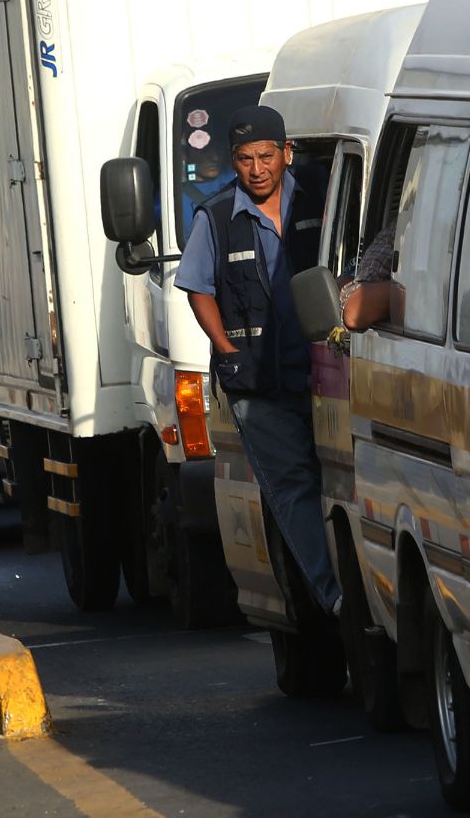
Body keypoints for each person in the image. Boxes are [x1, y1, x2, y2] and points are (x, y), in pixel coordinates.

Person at [175, 105, 341, 616]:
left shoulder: (321, 196)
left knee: (340, 484)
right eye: (245, 159)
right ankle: (335, 599)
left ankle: (360, 589)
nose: (257, 168)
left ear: (287, 153)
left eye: (267, 155)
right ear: (234, 161)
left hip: (327, 373)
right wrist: (226, 350)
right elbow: (198, 288)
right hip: (259, 381)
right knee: (292, 489)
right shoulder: (217, 215)